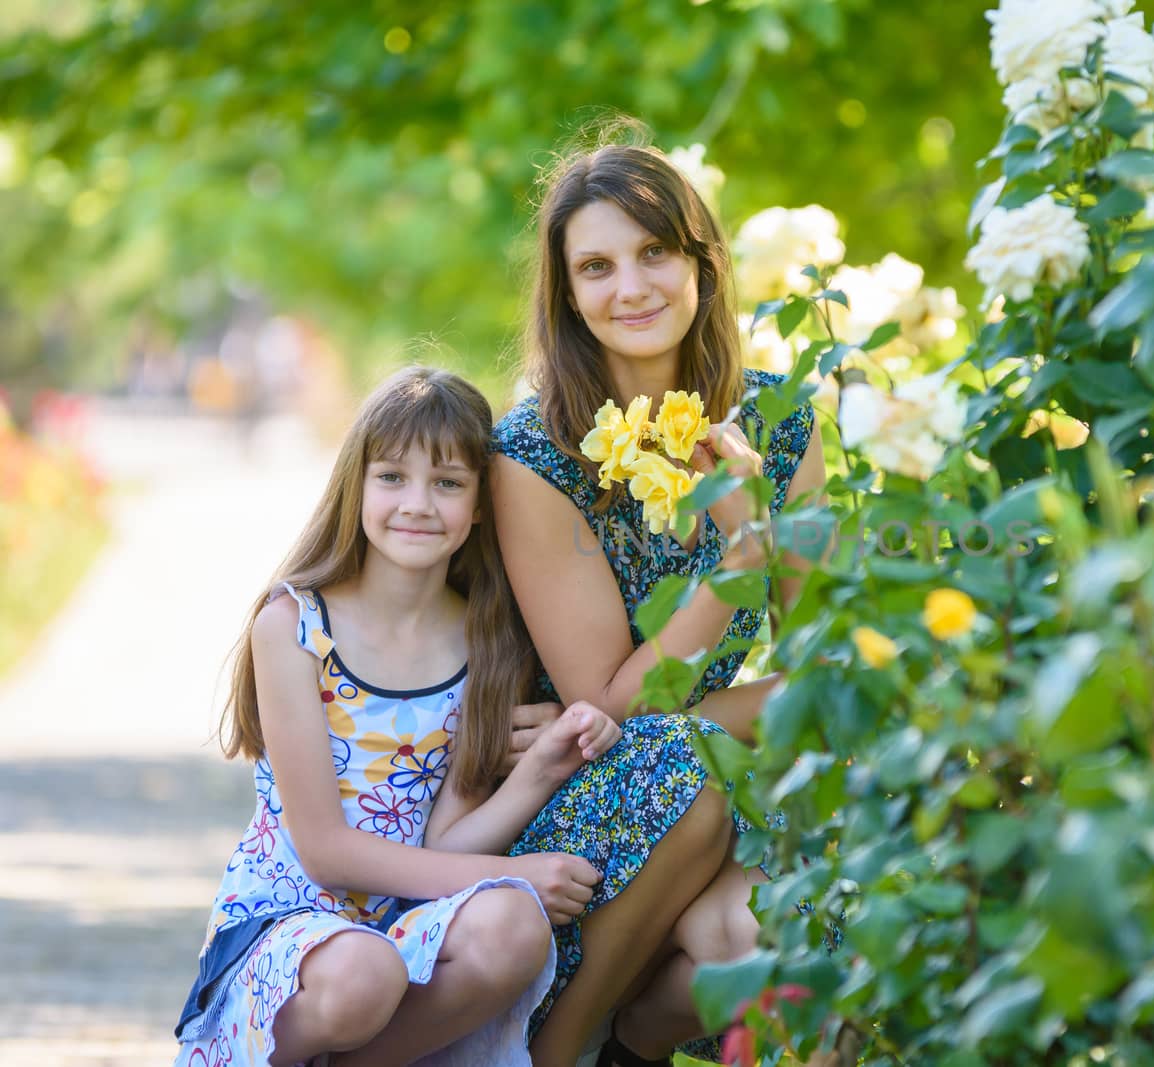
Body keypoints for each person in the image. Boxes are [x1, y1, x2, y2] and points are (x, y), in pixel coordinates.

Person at [492, 131, 825, 1066]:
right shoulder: (536, 454)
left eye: (654, 252)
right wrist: (745, 550)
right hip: (592, 796)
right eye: (596, 266)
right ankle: (556, 1047)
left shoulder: (782, 423)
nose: (631, 287)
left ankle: (633, 1043)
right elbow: (609, 707)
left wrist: (723, 715)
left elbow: (834, 667)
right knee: (677, 769)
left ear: (701, 263)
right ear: (565, 294)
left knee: (774, 934)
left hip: (707, 766)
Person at [175, 367, 619, 1066]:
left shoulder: (488, 641)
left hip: (409, 918)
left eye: (447, 482)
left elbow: (446, 840)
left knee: (514, 925)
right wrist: (510, 871)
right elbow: (325, 849)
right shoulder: (294, 625)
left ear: (479, 503)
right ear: (357, 485)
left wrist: (541, 766)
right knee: (365, 973)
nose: (417, 503)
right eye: (392, 477)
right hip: (288, 920)